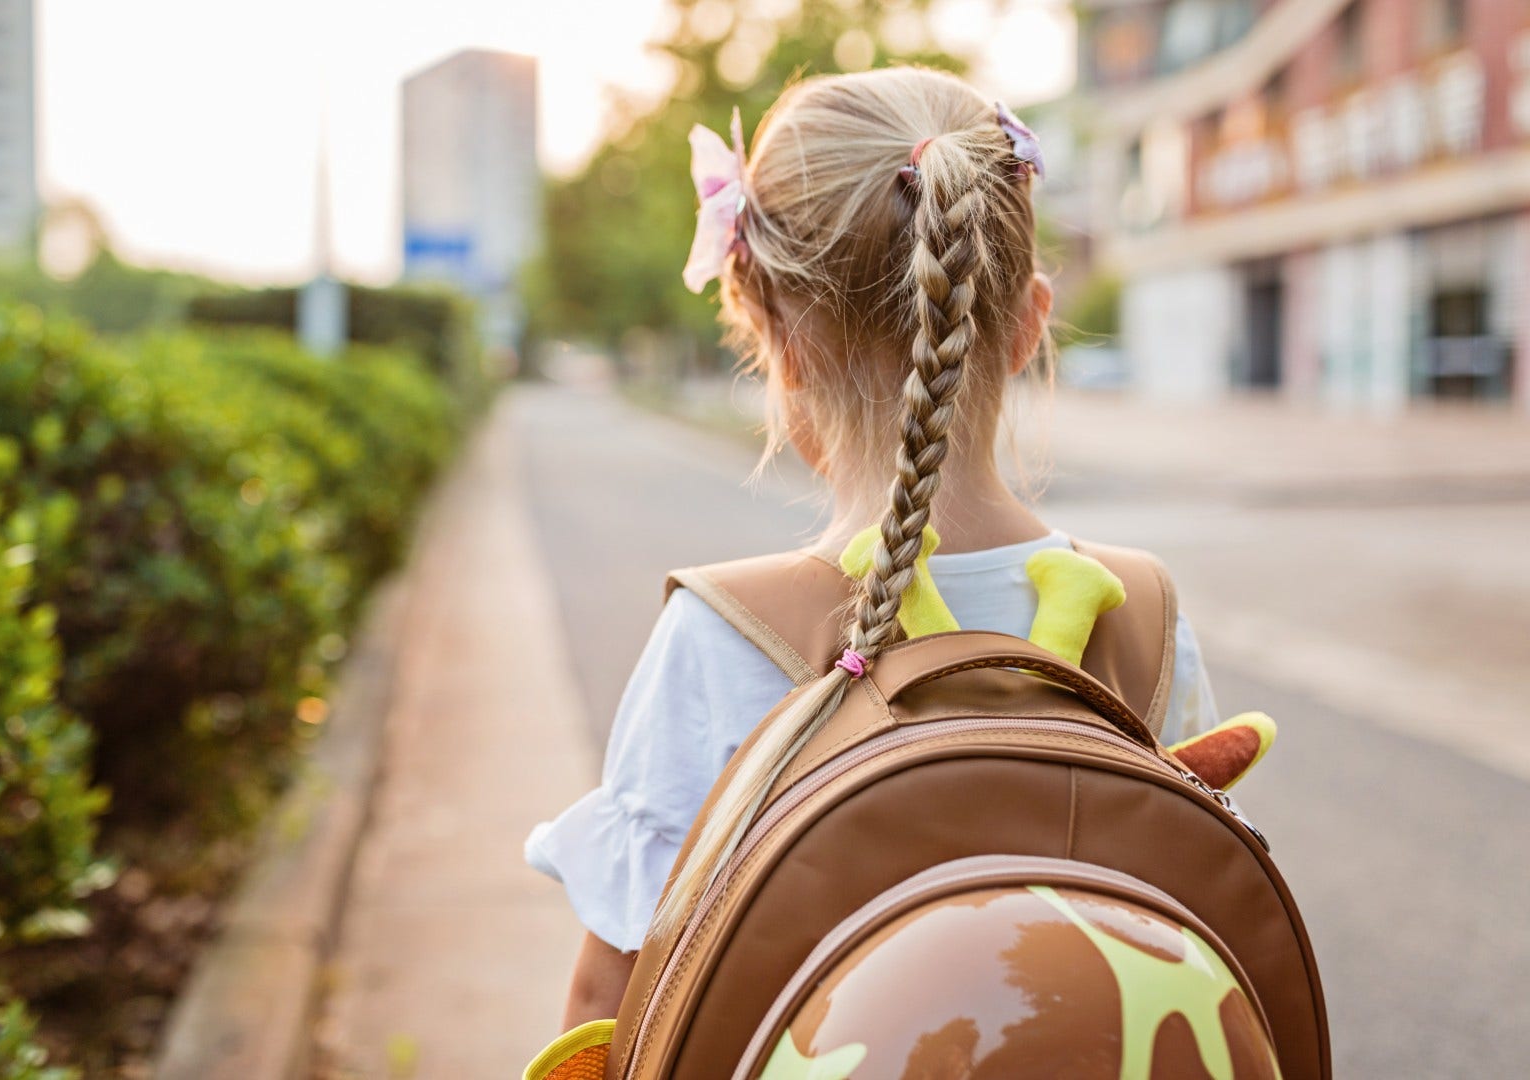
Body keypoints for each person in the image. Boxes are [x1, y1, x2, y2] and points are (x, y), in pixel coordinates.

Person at [522, 65, 1224, 1029]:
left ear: (779, 342)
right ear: (1027, 324)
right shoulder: (1141, 614)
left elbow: (615, 998)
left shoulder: (722, 639)